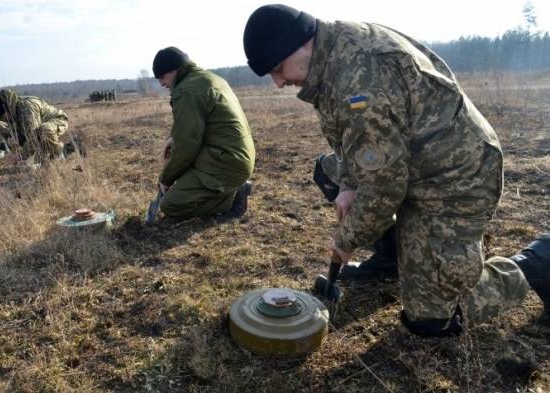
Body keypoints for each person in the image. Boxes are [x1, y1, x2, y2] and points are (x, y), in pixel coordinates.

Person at [243, 4, 550, 336]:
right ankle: (393, 257)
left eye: (278, 68)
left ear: (301, 44)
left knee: (430, 320)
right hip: (411, 162)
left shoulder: (359, 76)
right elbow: (351, 143)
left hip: (454, 178)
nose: (278, 83)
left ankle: (537, 262)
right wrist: (347, 183)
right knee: (329, 171)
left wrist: (346, 241)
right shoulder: (330, 51)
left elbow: (383, 188)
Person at [152, 47, 255, 219]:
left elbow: (186, 145)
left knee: (171, 205)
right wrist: (172, 139)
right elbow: (190, 128)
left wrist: (166, 179)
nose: (161, 83)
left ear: (173, 70)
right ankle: (232, 188)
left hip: (225, 163)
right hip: (234, 157)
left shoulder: (186, 91)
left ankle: (233, 197)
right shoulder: (209, 78)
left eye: (161, 77)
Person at [0, 89, 69, 164]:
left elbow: (35, 136)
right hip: (38, 128)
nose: (5, 120)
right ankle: (43, 154)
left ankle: (58, 153)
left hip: (58, 120)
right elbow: (25, 135)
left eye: (4, 117)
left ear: (6, 111)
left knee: (44, 129)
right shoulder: (14, 111)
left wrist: (21, 156)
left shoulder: (26, 108)